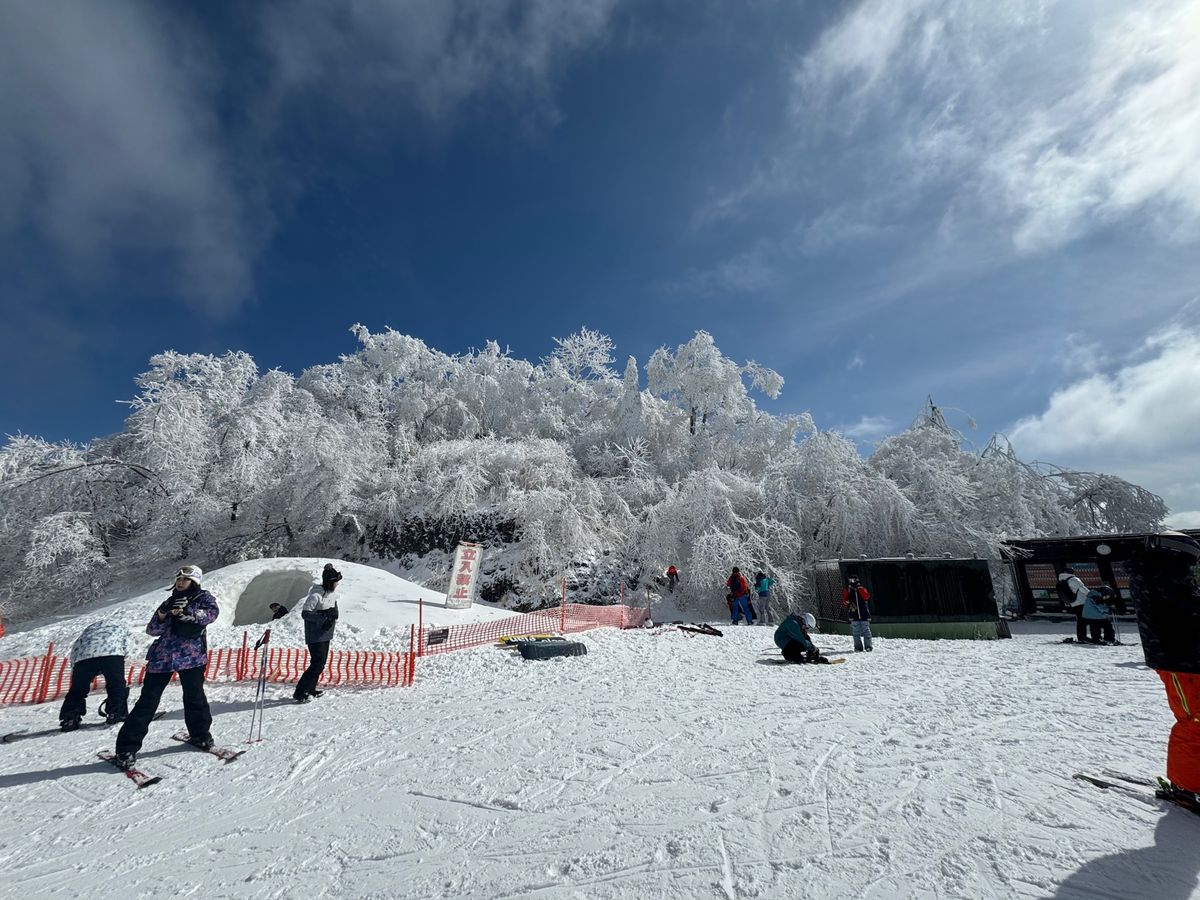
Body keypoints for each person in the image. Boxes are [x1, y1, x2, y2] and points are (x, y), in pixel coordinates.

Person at [114, 565, 218, 768]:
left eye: (185, 580)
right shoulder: (169, 601)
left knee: (195, 697)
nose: (180, 582)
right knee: (147, 702)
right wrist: (163, 614)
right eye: (178, 579)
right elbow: (152, 630)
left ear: (195, 582)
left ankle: (200, 735)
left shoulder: (203, 598)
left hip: (191, 657)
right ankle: (126, 748)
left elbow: (211, 615)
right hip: (162, 657)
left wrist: (187, 612)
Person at [1128, 531, 1200, 812]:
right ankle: (1187, 787)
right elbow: (1188, 610)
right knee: (1194, 723)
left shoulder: (1160, 573)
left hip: (1188, 658)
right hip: (1180, 661)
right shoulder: (1162, 575)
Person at [59, 619, 130, 731]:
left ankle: (70, 719)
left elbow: (75, 648)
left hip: (83, 659)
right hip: (112, 654)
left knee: (77, 690)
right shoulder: (119, 628)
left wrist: (76, 668)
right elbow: (126, 644)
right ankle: (116, 713)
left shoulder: (88, 632)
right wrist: (121, 659)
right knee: (116, 685)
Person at [295, 563, 341, 703]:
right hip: (315, 635)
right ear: (329, 582)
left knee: (320, 664)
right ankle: (300, 692)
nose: (337, 584)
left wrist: (332, 614)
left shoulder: (332, 594)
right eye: (335, 582)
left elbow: (334, 611)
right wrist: (323, 618)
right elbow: (305, 614)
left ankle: (311, 689)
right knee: (317, 664)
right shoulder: (315, 595)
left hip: (326, 633)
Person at [1057, 567, 1089, 643]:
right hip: (1081, 602)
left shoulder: (1062, 580)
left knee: (1080, 620)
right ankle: (1082, 637)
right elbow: (1083, 588)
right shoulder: (1074, 579)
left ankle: (1082, 637)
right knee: (1082, 620)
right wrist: (1091, 594)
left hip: (1073, 603)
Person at [843, 576, 873, 651]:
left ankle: (868, 646)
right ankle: (858, 647)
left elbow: (866, 596)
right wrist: (847, 602)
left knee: (866, 630)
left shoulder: (862, 588)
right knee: (856, 632)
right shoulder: (848, 589)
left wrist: (860, 588)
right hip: (854, 613)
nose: (852, 581)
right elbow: (844, 600)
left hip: (863, 613)